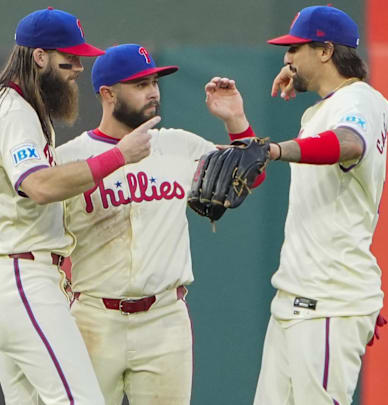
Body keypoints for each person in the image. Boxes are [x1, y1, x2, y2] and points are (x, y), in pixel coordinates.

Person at [0, 9, 159, 405]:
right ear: (39, 56)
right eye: (69, 58)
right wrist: (119, 156)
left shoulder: (8, 105)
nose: (79, 68)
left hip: (4, 276)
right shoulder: (13, 110)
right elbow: (38, 186)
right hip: (21, 281)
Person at [56, 43, 263, 405]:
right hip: (93, 318)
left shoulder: (178, 145)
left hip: (164, 319)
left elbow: (250, 176)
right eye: (139, 84)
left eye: (154, 81)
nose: (153, 91)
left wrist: (235, 122)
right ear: (107, 93)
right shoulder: (70, 158)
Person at [245, 5, 388, 405]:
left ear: (325, 50)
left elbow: (349, 143)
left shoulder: (360, 100)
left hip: (327, 301)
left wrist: (276, 149)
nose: (287, 58)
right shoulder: (323, 109)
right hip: (299, 299)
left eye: (296, 49)